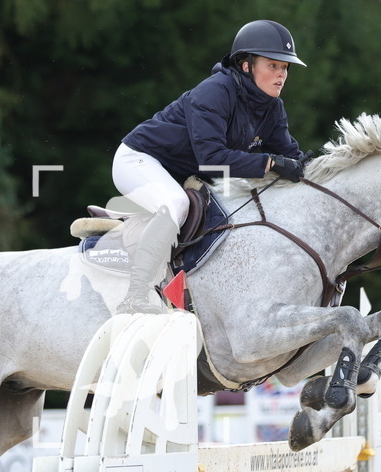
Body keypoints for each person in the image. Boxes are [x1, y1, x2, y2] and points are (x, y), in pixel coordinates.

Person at [112, 19, 310, 314]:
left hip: (180, 172)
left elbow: (291, 156)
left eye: (285, 68)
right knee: (175, 203)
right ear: (246, 65)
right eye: (273, 66)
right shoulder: (214, 92)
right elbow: (212, 160)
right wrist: (269, 162)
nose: (281, 75)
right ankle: (135, 297)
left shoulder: (272, 107)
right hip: (139, 160)